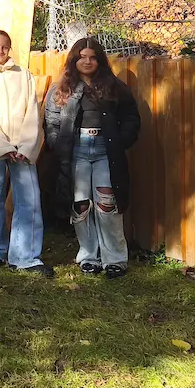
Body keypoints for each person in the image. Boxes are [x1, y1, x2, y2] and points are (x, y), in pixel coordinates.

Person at [44, 37, 141, 280]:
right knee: (80, 206)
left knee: (107, 204)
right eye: (82, 57)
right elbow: (51, 122)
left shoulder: (114, 87)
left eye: (92, 57)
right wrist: (59, 146)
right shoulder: (61, 89)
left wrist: (120, 142)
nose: (87, 62)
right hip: (75, 151)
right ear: (74, 60)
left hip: (105, 151)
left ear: (99, 60)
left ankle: (115, 259)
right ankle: (88, 257)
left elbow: (131, 118)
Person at [0, 30, 47, 274]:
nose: (0, 50)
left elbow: (32, 112)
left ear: (10, 48)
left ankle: (25, 255)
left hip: (22, 148)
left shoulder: (24, 75)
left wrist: (26, 146)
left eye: (5, 46)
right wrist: (2, 147)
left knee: (29, 199)